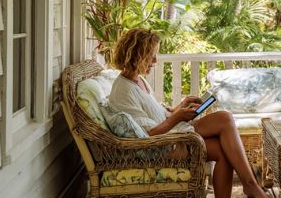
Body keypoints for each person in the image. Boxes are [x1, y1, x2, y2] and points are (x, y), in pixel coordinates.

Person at [107, 29, 268, 198]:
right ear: (135, 54)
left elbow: (154, 114)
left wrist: (179, 107)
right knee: (224, 118)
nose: (155, 60)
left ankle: (250, 185)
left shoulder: (138, 80)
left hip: (172, 133)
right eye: (150, 55)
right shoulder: (123, 90)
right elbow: (145, 136)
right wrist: (177, 117)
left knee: (224, 150)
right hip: (162, 146)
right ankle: (251, 185)